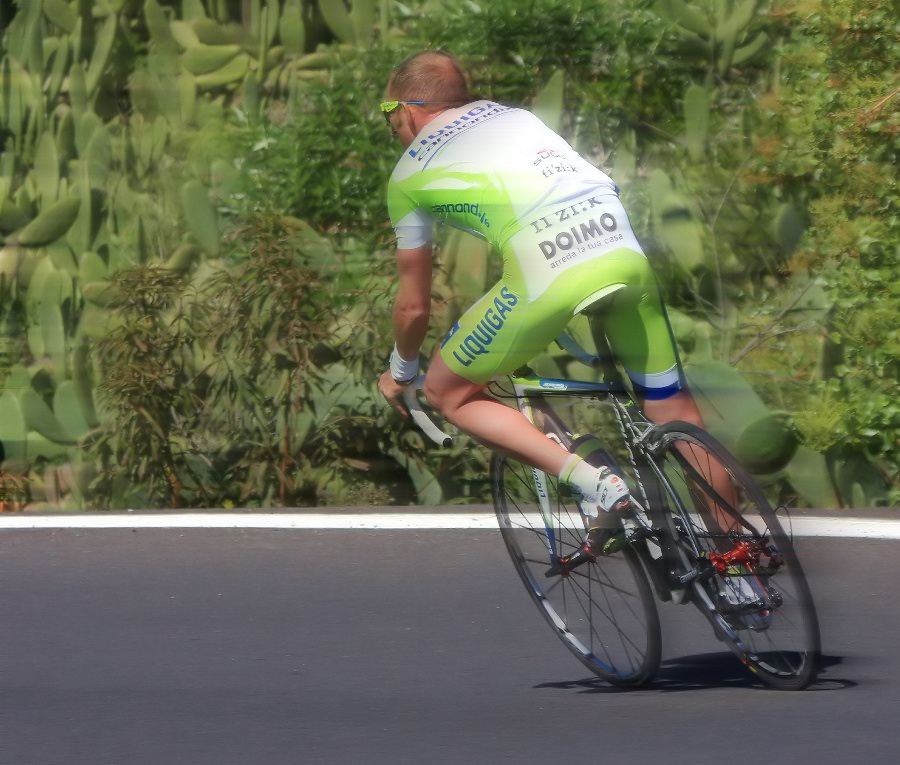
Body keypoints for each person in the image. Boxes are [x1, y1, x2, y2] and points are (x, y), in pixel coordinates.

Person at [376, 51, 713, 565]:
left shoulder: (407, 175)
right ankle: (739, 564)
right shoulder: (517, 117)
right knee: (673, 406)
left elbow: (414, 306)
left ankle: (598, 483)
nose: (392, 126)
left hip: (546, 273)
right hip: (621, 249)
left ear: (410, 108)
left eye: (388, 115)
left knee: (448, 393)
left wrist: (401, 371)